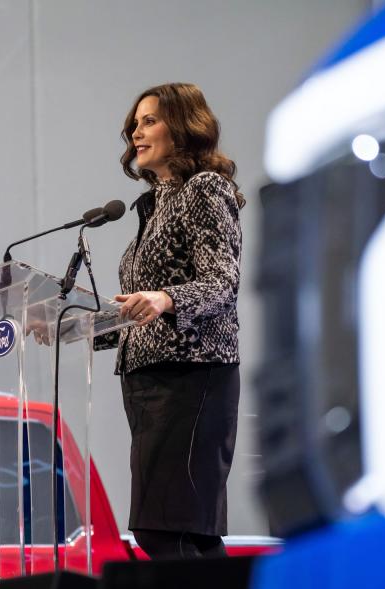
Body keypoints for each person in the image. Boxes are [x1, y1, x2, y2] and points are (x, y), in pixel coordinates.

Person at [96, 83, 245, 559]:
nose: (136, 132)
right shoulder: (153, 205)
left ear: (183, 127)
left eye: (149, 121)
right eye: (134, 124)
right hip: (148, 381)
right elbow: (136, 306)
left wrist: (165, 297)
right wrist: (65, 324)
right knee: (182, 532)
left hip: (192, 376)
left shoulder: (204, 189)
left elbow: (222, 283)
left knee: (167, 530)